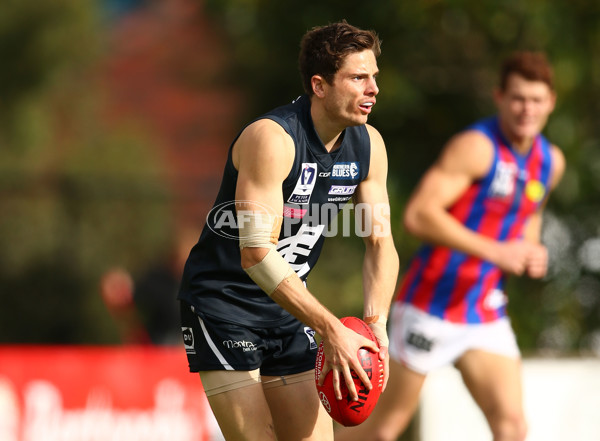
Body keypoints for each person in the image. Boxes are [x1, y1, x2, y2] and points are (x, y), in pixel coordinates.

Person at [177, 21, 399, 441]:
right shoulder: (272, 139)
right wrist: (332, 328)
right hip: (224, 305)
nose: (372, 89)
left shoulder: (370, 146)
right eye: (357, 77)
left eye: (374, 77)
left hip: (287, 310)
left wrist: (377, 325)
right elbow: (256, 253)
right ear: (319, 85)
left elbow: (379, 242)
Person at [336, 51, 566, 441]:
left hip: (483, 311)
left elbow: (529, 214)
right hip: (429, 307)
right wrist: (497, 252)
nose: (527, 109)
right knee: (382, 431)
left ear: (551, 103)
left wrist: (531, 249)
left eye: (536, 99)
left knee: (513, 426)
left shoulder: (550, 162)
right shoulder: (476, 147)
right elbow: (418, 215)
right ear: (499, 97)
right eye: (518, 98)